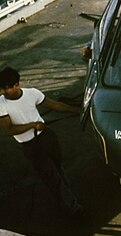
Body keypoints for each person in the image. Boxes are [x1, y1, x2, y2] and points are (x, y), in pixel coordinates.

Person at [0, 67, 83, 216]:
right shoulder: (1, 104)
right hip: (30, 145)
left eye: (6, 89)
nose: (3, 92)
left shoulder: (32, 93)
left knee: (58, 167)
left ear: (16, 85)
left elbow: (55, 105)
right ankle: (72, 207)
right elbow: (9, 130)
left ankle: (66, 197)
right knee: (51, 176)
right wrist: (33, 125)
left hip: (47, 137)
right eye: (1, 89)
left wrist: (77, 111)